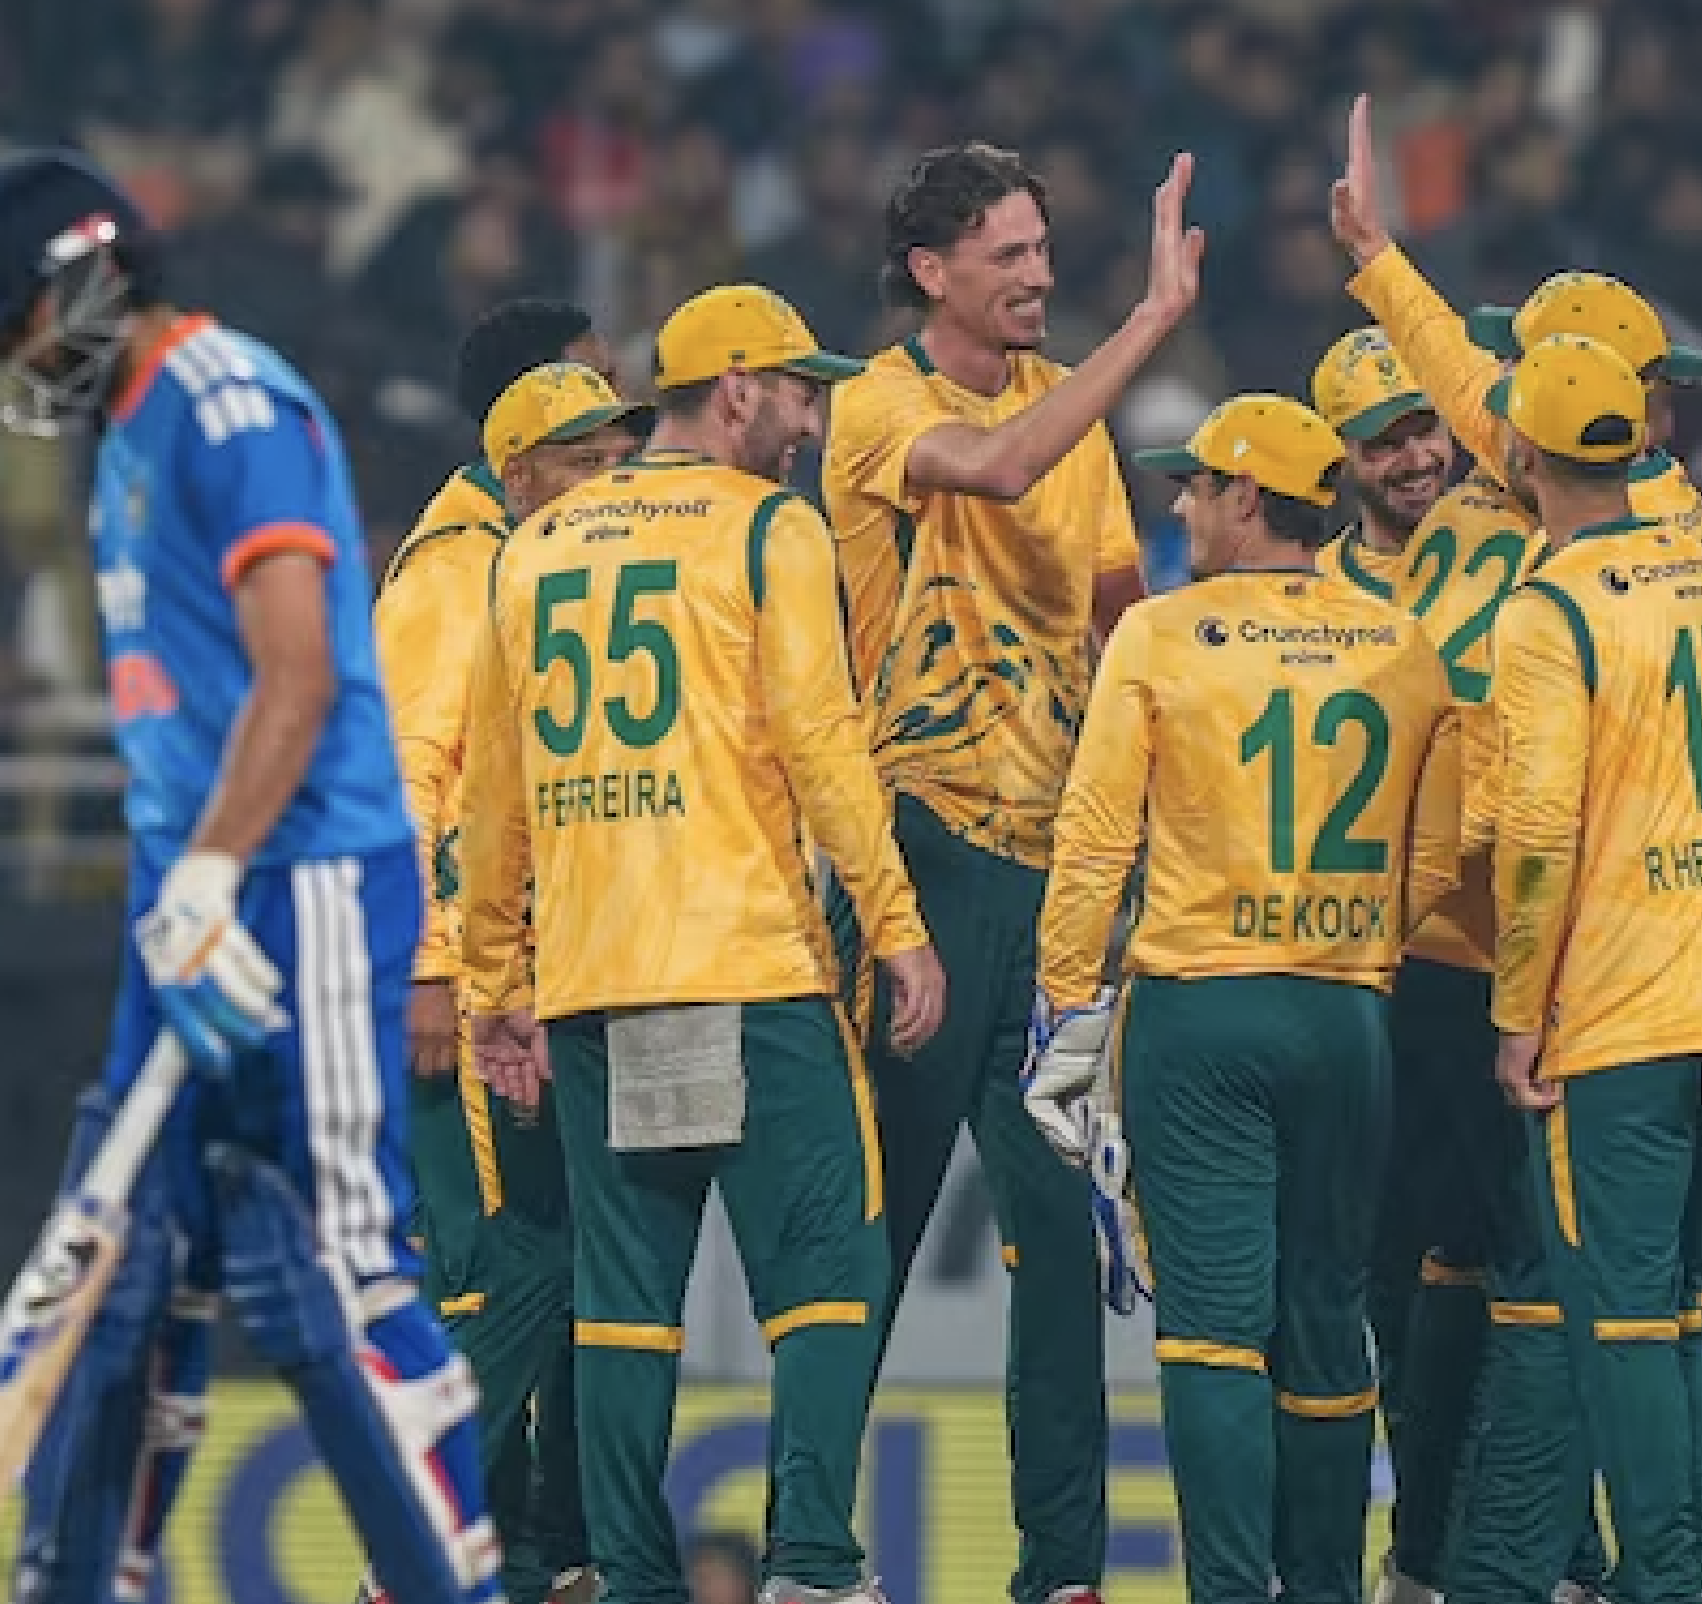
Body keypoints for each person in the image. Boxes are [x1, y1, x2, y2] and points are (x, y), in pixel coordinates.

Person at [0, 149, 503, 1604]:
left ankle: (455, 1582)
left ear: (87, 275)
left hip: (301, 877)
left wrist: (207, 879)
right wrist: (176, 891)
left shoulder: (226, 400)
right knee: (128, 1265)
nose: (14, 359)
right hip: (187, 885)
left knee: (341, 1256)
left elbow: (297, 679)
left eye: (16, 321)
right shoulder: (125, 433)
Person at [456, 283, 949, 1604]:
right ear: (734, 389)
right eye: (796, 393)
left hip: (595, 984)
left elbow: (493, 795)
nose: (809, 423)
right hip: (748, 965)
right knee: (832, 1269)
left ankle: (630, 1578)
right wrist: (896, 924)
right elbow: (822, 745)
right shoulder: (767, 529)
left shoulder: (534, 548)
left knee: (624, 1302)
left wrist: (496, 979)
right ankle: (811, 1565)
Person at [818, 140, 1201, 1604]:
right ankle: (811, 1554)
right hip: (917, 863)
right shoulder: (877, 405)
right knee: (875, 1228)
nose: (1039, 276)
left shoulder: (1072, 416)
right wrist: (1152, 320)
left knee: (1058, 1240)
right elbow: (996, 466)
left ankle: (1061, 1574)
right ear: (931, 272)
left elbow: (1120, 622)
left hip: (1055, 888)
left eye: (1044, 250)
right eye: (1009, 255)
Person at [1026, 392, 1461, 1604]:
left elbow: (1094, 837)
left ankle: (1229, 1588)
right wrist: (1351, 944)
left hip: (1199, 1012)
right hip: (1346, 1013)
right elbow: (1438, 855)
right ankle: (1323, 1585)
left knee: (1213, 1329)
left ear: (1248, 497)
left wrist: (1062, 1007)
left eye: (1198, 484)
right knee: (1326, 1315)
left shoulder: (1158, 634)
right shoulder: (1403, 643)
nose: (1180, 505)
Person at [1482, 333, 1702, 1604]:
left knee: (1618, 1314)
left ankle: (1665, 1580)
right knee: (1699, 1294)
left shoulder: (1548, 608)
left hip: (1624, 1000)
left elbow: (1537, 830)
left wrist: (1518, 1009)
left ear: (1521, 450)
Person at [372, 314, 647, 1604]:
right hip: (472, 985)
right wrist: (429, 968)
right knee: (507, 1261)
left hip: (530, 974)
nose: (610, 450)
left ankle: (532, 1557)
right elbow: (407, 779)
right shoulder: (456, 573)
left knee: (563, 1260)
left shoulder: (527, 556)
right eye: (581, 419)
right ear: (515, 447)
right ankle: (414, 1546)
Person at [1302, 327, 1527, 1604]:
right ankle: (1420, 1552)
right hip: (1377, 975)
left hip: (1501, 966)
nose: (1414, 457)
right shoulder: (1312, 595)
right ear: (1340, 460)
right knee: (1384, 1274)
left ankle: (1527, 1548)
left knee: (1503, 1268)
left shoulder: (1509, 534)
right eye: (1382, 441)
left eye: (1423, 428)